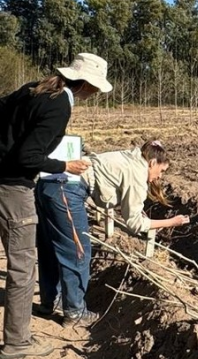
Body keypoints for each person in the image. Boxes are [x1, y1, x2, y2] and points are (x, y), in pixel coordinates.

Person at [0, 53, 112, 358]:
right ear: (88, 85)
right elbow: (27, 157)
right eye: (95, 90)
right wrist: (65, 166)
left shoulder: (33, 88)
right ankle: (17, 344)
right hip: (13, 187)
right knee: (22, 270)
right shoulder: (59, 104)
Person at [35, 140, 190, 329]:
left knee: (51, 247)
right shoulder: (137, 173)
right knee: (78, 253)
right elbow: (135, 223)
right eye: (162, 171)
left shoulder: (129, 156)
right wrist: (171, 222)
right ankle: (75, 312)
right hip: (66, 191)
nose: (160, 176)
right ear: (152, 163)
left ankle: (50, 301)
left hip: (47, 184)